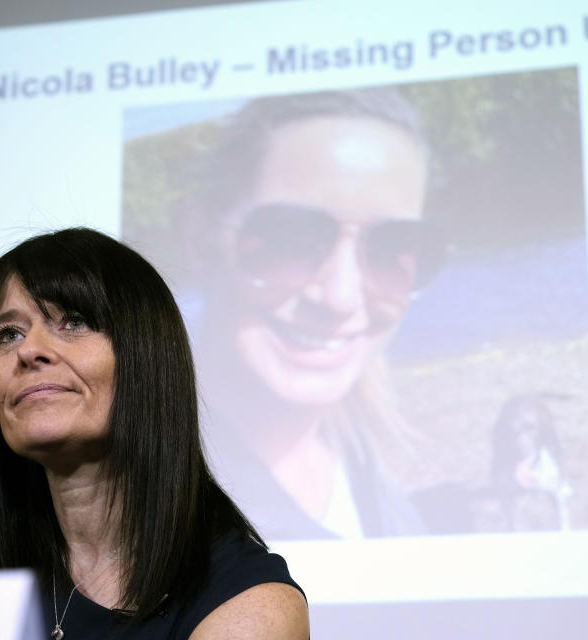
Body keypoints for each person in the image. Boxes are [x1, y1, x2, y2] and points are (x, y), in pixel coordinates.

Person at [0, 228, 309, 639]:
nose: (28, 350)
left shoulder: (249, 603)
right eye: (8, 334)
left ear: (145, 359)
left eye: (74, 322)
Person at [171, 88, 450, 539]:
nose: (340, 298)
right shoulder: (141, 509)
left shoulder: (369, 477)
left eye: (394, 245)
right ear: (199, 234)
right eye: (289, 238)